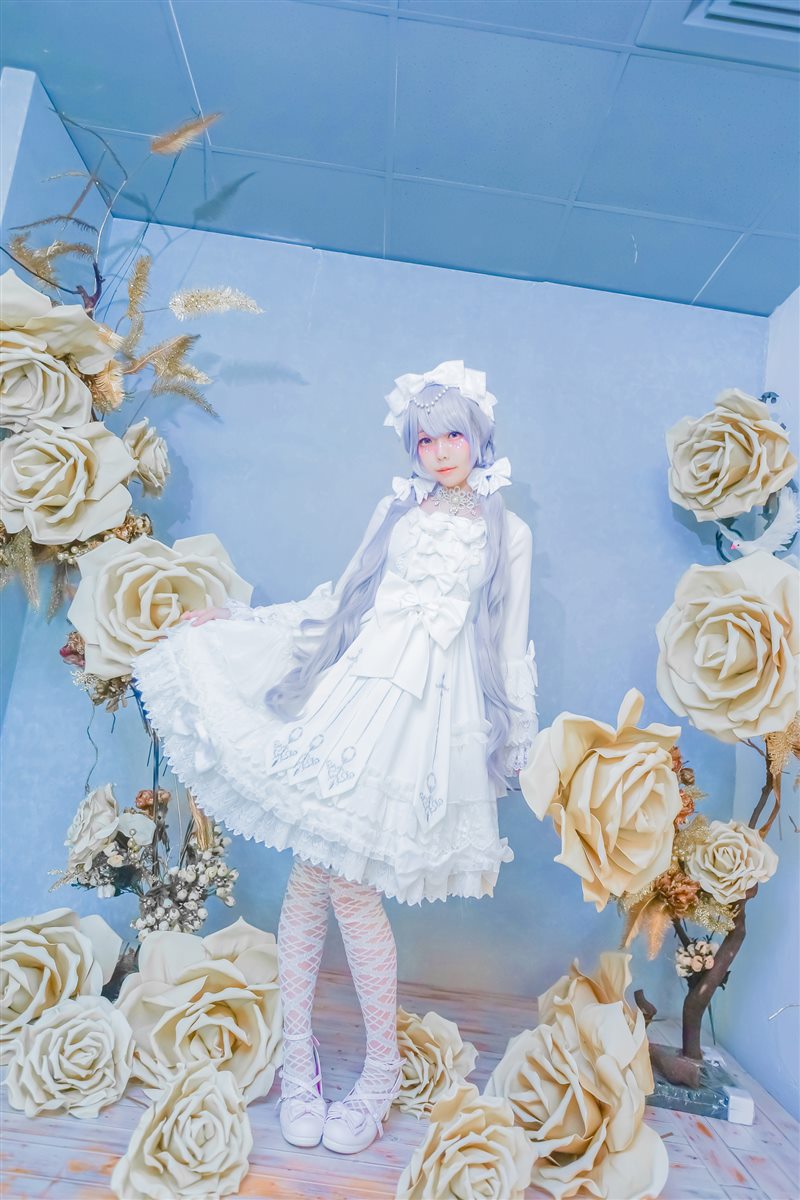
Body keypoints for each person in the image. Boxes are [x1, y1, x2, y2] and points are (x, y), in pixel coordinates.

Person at [131, 359, 538, 1156]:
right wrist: (239, 619)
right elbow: (342, 599)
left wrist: (516, 738)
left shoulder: (508, 533)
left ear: (479, 436)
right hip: (355, 693)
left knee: (342, 882)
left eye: (453, 435)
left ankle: (372, 1074)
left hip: (425, 718)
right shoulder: (398, 513)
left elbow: (512, 641)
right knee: (316, 876)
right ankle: (305, 1065)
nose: (440, 452)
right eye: (425, 440)